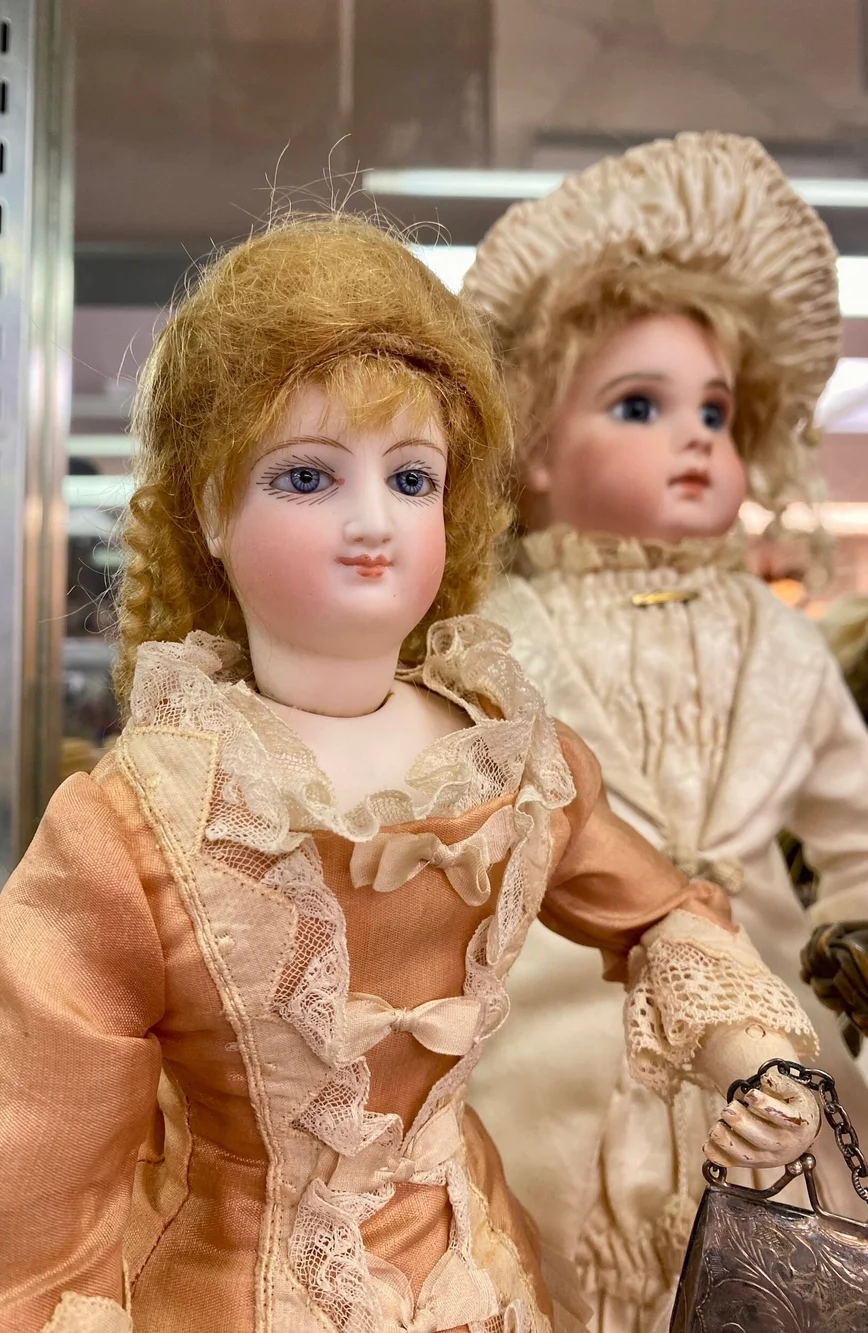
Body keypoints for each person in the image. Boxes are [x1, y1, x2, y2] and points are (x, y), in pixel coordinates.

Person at [0, 215, 822, 1333]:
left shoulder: (511, 764)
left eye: (412, 477)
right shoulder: (139, 824)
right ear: (209, 508)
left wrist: (759, 1060)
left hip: (476, 1280)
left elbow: (657, 910)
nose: (373, 522)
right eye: (307, 476)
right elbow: (34, 1190)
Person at [463, 132, 868, 1333]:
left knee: (797, 1281)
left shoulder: (780, 643)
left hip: (774, 1065)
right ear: (533, 452)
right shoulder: (491, 638)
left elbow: (853, 833)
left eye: (716, 411)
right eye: (638, 405)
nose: (694, 436)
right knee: (542, 1270)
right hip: (549, 1052)